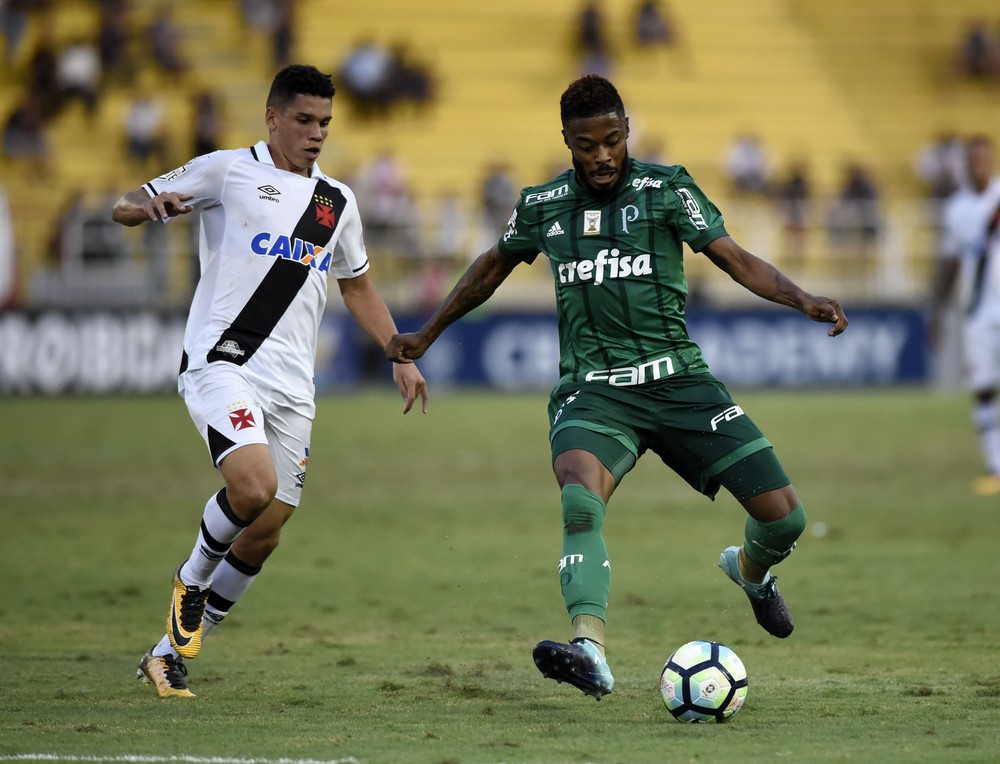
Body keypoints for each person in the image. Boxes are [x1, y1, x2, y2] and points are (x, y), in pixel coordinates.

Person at [386, 74, 847, 701]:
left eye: (611, 140)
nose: (601, 156)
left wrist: (801, 299)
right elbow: (491, 267)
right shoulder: (542, 204)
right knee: (580, 498)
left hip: (680, 380)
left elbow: (735, 258)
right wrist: (429, 333)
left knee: (786, 521)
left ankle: (750, 572)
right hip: (595, 391)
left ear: (627, 131)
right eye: (586, 145)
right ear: (567, 142)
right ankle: (590, 649)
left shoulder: (667, 188)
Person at [112, 64, 428, 698]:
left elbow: (357, 284)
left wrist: (398, 351)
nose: (316, 134)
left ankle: (165, 655)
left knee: (269, 525)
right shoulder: (228, 170)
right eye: (305, 121)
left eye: (325, 124)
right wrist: (150, 208)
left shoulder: (335, 202)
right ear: (273, 117)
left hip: (292, 384)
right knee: (252, 488)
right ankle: (191, 580)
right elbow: (124, 204)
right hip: (223, 359)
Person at [930, 134, 1000, 497]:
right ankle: (996, 468)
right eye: (973, 161)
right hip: (977, 314)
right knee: (984, 389)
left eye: (984, 159)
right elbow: (952, 263)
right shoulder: (956, 209)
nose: (979, 166)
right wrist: (938, 311)